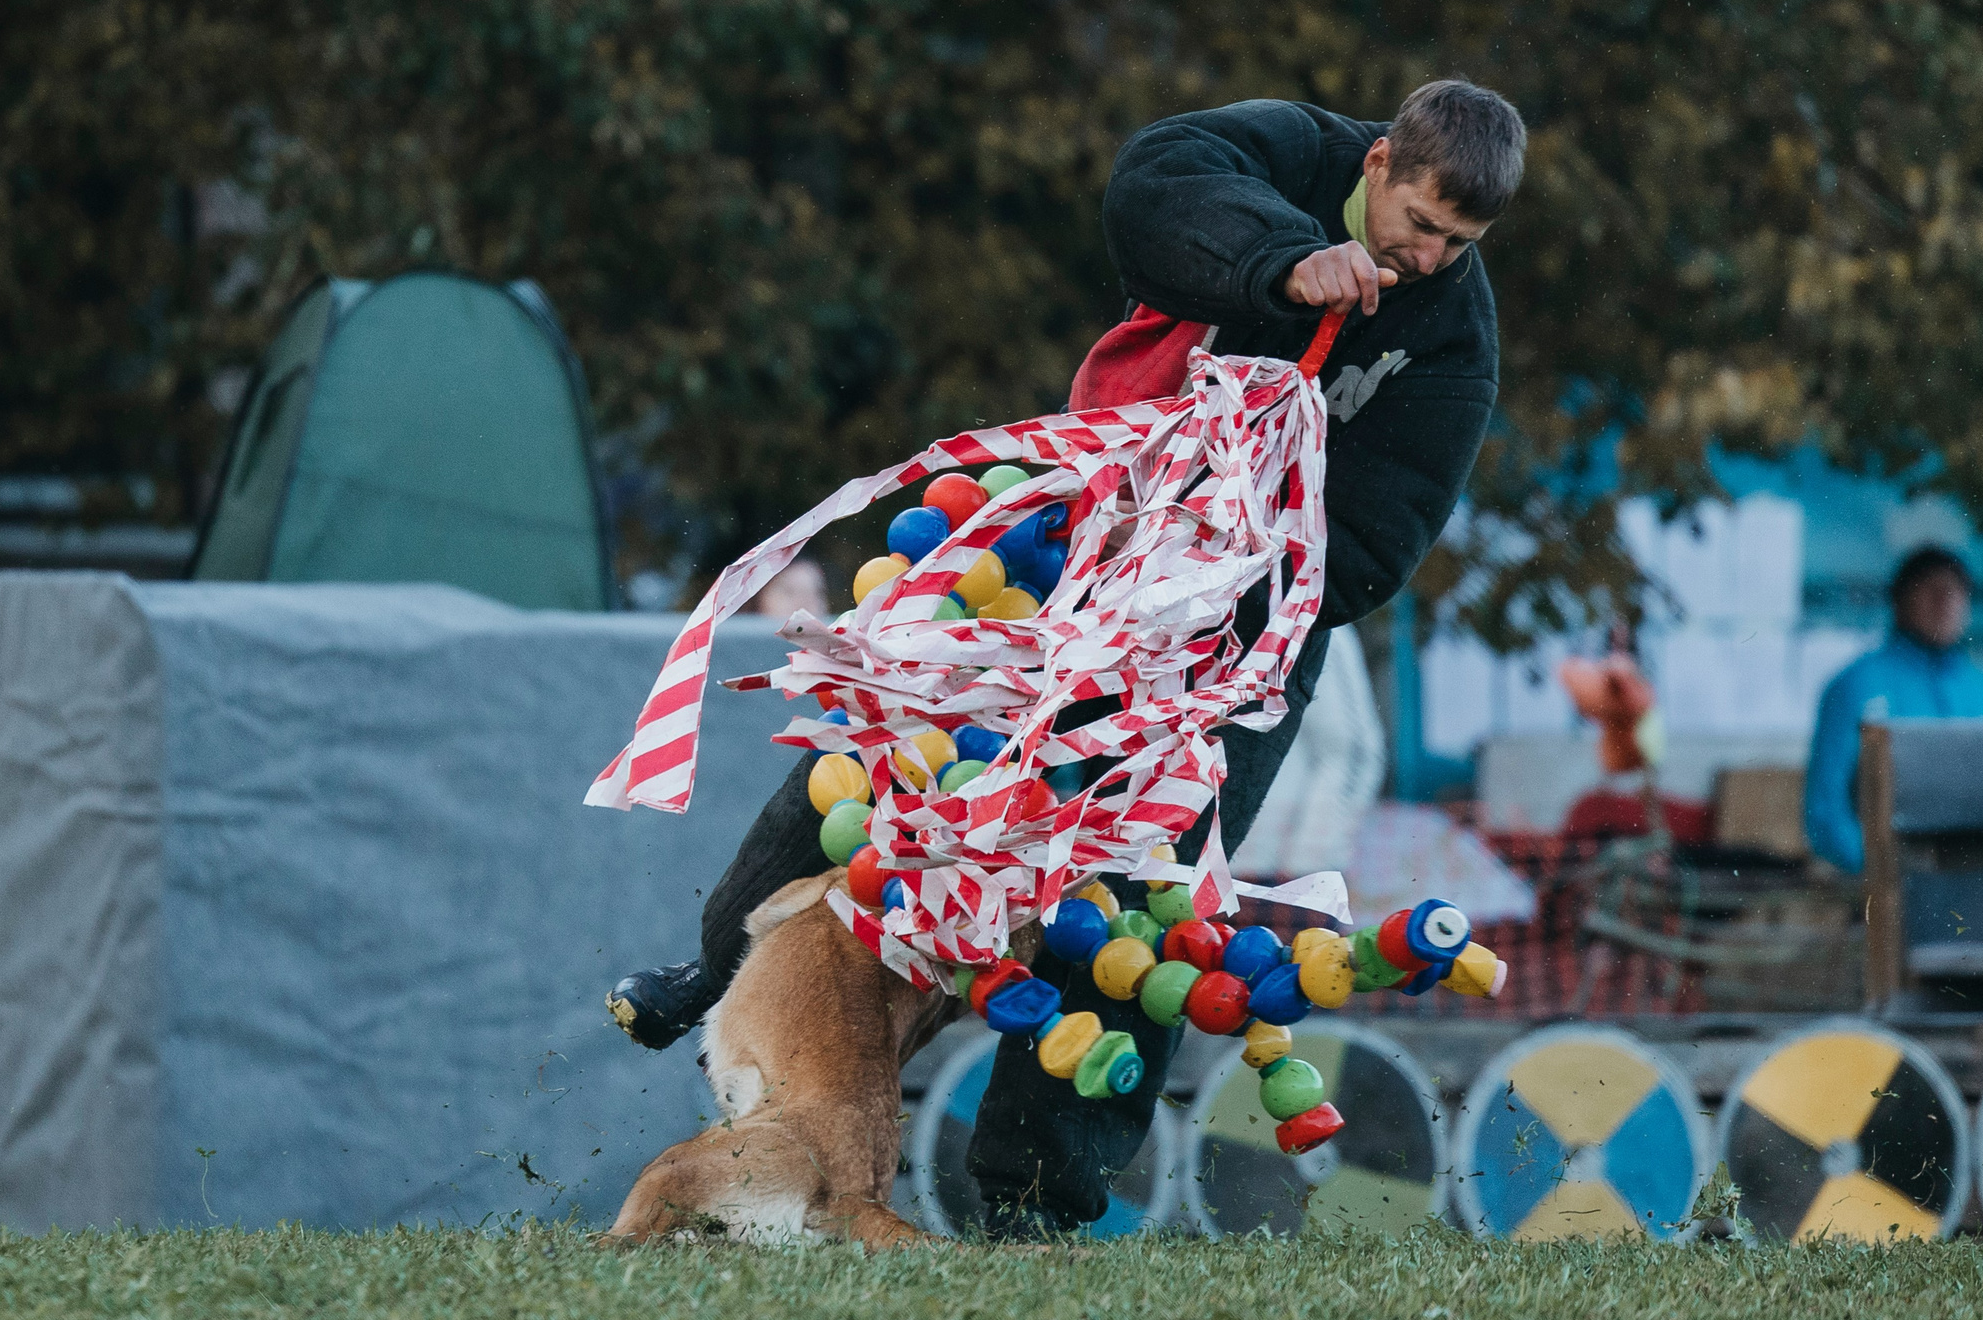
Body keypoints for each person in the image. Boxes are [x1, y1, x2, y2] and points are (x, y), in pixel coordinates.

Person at [608, 80, 1522, 1235]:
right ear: (1381, 161)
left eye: (1461, 243)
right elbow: (1151, 187)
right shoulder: (1290, 151)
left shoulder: (1452, 334)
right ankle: (709, 963)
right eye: (1421, 222)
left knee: (1151, 895)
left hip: (1237, 632)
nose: (1432, 256)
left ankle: (1039, 1198)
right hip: (1070, 545)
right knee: (903, 746)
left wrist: (1226, 571)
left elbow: (1386, 537)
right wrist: (1286, 264)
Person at [1800, 545, 1983, 874]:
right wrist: (1881, 873)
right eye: (1931, 589)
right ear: (1900, 599)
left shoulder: (1981, 689)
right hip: (1887, 889)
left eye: (1956, 591)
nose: (1945, 601)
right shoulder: (1857, 684)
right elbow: (1825, 810)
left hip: (1973, 886)